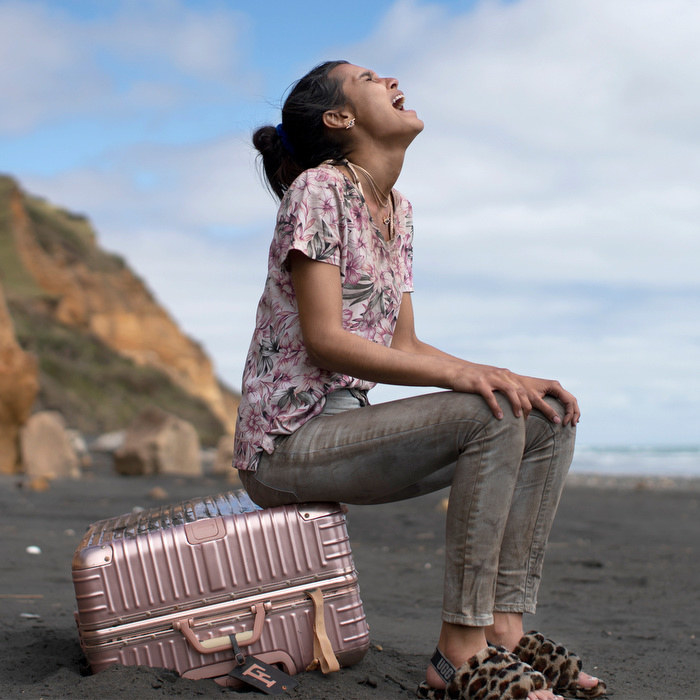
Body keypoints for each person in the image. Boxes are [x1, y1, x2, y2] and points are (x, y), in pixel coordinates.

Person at [234, 60, 607, 700]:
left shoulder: (397, 210)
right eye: (370, 78)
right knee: (492, 411)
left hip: (349, 427)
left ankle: (504, 632)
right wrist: (474, 378)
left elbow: (401, 344)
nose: (392, 80)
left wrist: (504, 374)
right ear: (339, 117)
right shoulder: (318, 191)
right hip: (288, 445)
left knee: (541, 414)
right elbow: (328, 340)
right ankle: (459, 651)